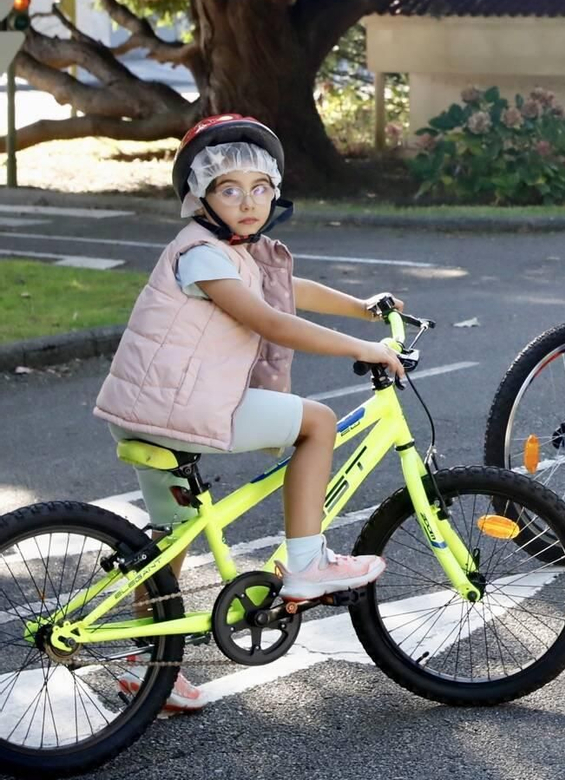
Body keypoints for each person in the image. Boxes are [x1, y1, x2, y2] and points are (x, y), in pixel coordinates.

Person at [94, 115, 406, 713]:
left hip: (147, 408)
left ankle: (144, 666)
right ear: (200, 197)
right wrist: (366, 348)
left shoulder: (231, 253)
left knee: (169, 538)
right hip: (179, 408)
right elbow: (269, 320)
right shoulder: (202, 256)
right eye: (229, 189)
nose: (248, 202)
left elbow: (289, 291)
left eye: (261, 188)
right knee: (317, 422)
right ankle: (308, 561)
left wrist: (363, 309)